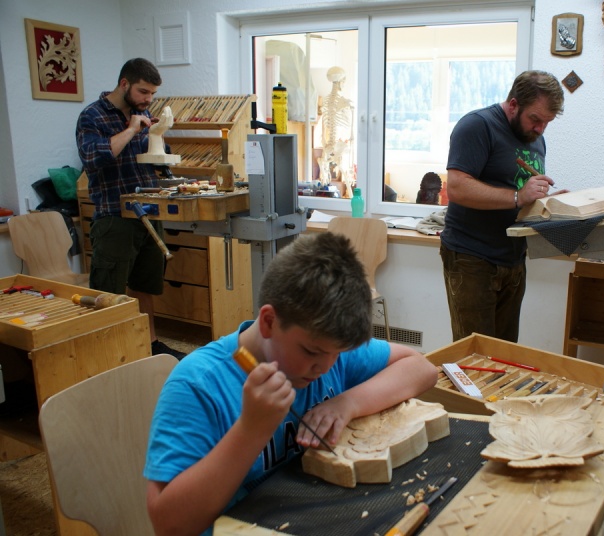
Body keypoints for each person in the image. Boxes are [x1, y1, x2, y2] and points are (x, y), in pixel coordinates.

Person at [144, 232, 438, 535]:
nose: (325, 367)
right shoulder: (198, 386)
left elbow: (421, 368)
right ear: (269, 322)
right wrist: (250, 430)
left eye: (337, 354)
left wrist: (347, 403)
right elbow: (169, 525)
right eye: (311, 352)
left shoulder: (327, 348)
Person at [440, 70, 565, 343]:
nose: (540, 129)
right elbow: (457, 188)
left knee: (505, 353)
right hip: (472, 259)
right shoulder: (477, 126)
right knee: (475, 354)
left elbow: (522, 194)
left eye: (547, 122)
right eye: (535, 119)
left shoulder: (535, 138)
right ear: (513, 104)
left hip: (513, 259)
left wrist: (549, 203)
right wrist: (518, 196)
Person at [76, 58, 183, 358]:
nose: (148, 99)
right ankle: (108, 354)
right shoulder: (92, 116)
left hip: (148, 211)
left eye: (152, 94)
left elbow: (156, 158)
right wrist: (132, 129)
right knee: (108, 291)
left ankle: (149, 345)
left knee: (144, 285)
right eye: (143, 92)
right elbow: (92, 158)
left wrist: (158, 136)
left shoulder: (143, 112)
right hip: (115, 215)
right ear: (124, 84)